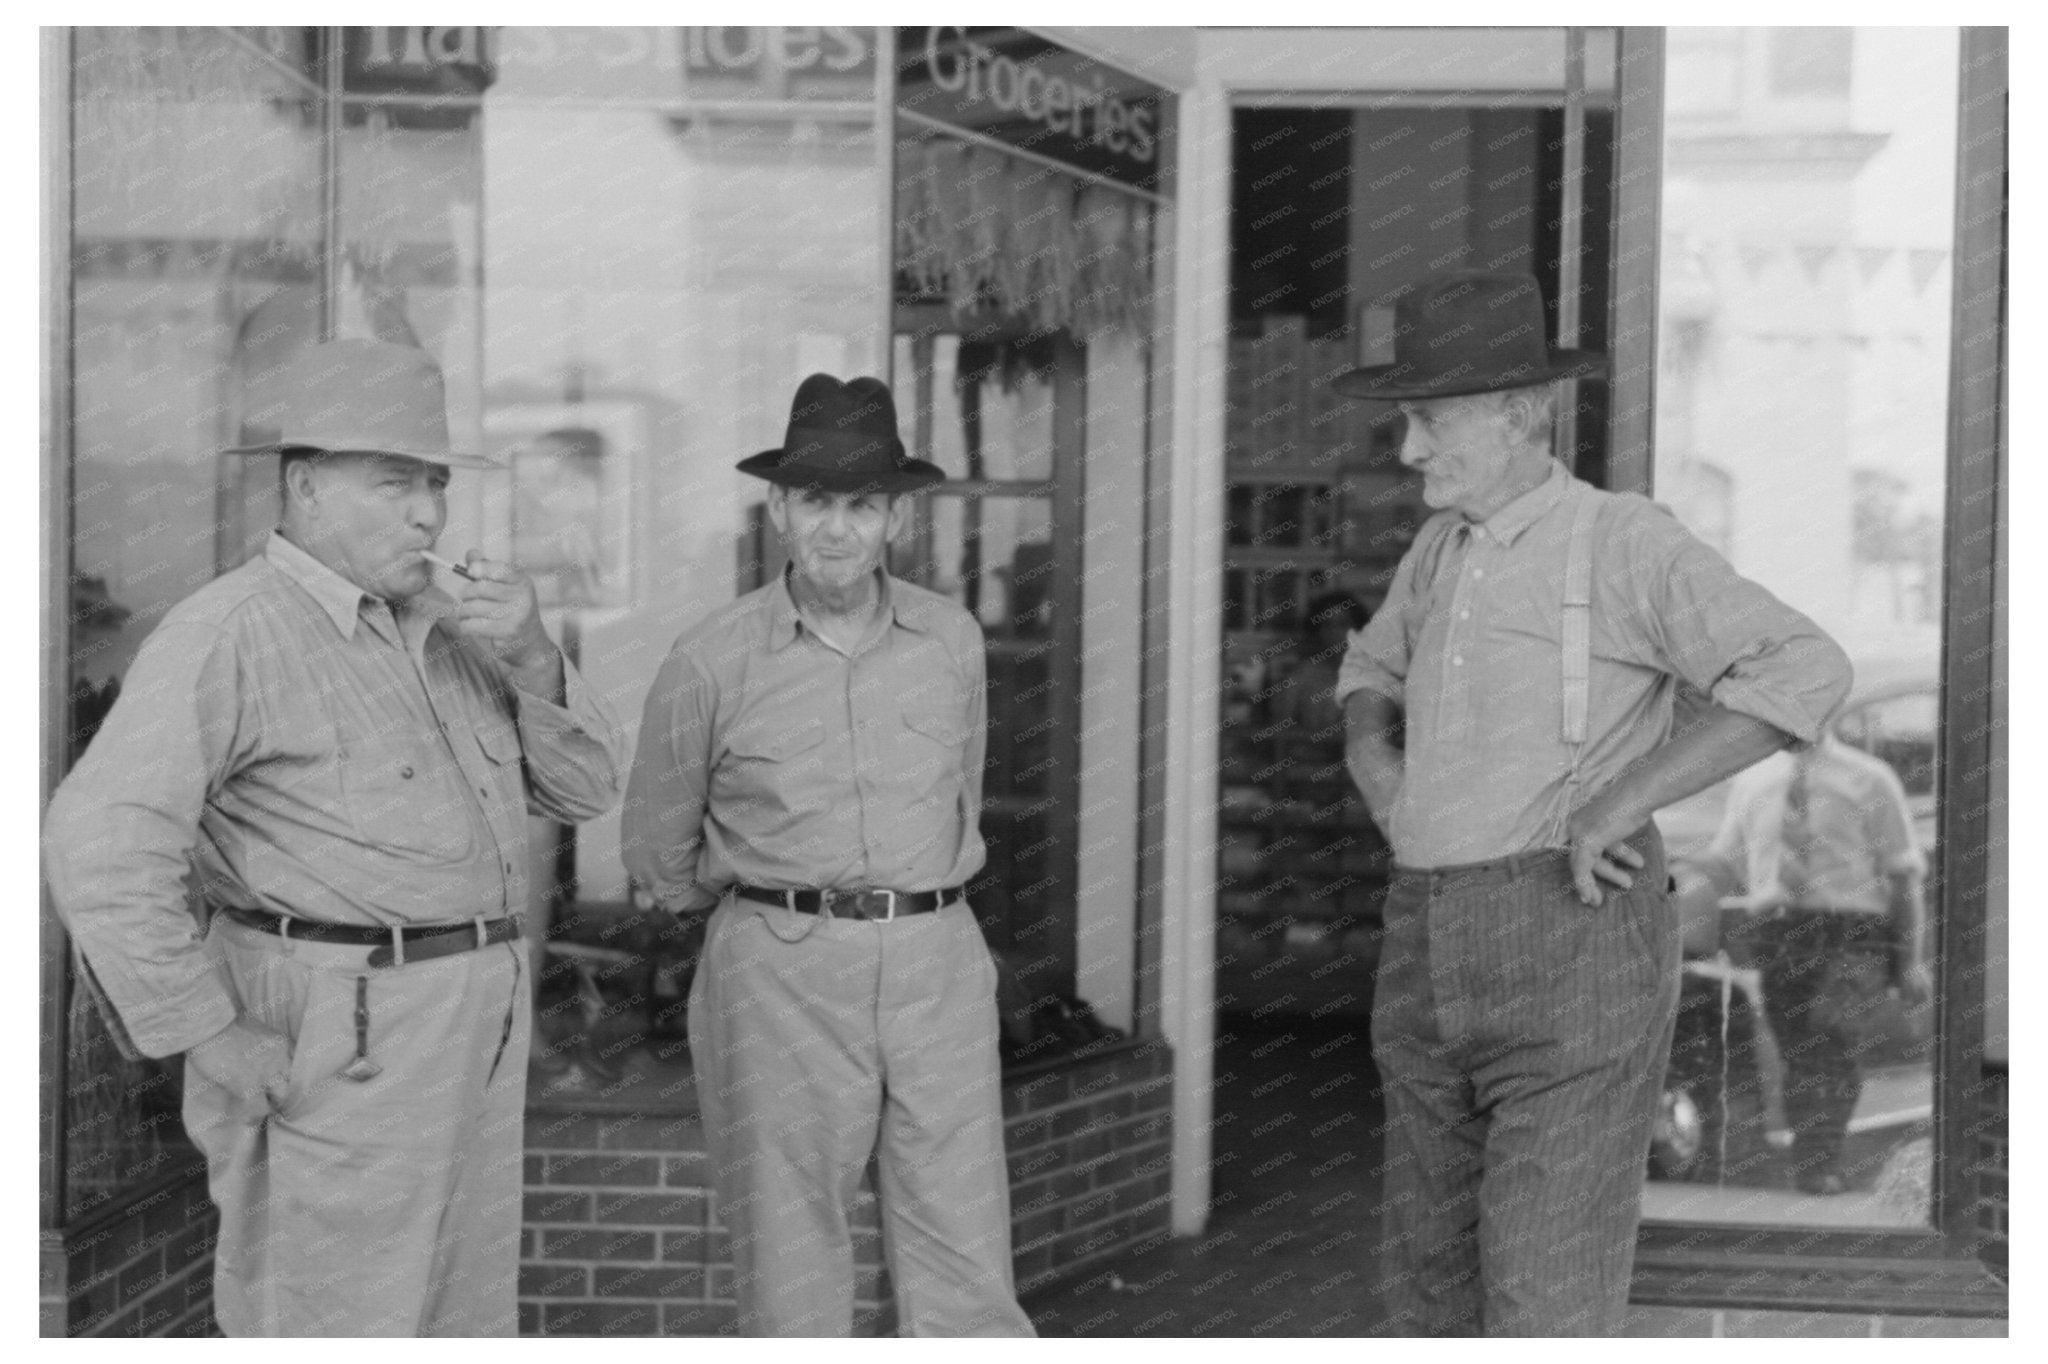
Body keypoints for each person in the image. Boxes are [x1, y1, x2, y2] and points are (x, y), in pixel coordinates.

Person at [42, 337, 625, 1337]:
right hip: (340, 1042)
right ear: (305, 487)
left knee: (462, 1323)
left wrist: (533, 653)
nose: (428, 514)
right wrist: (205, 1032)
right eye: (396, 483)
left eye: (436, 483)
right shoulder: (232, 632)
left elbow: (584, 790)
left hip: (473, 1034)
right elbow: (98, 842)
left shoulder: (451, 629)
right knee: (334, 1323)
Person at [1331, 271, 1852, 1336]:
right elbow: (1367, 668)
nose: (1409, 450)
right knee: (1426, 1291)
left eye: (1430, 421)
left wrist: (1619, 803)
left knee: (1543, 1295)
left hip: (1568, 939)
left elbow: (1802, 668)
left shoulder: (1622, 539)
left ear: (1521, 412)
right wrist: (1373, 758)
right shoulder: (1439, 548)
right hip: (1422, 939)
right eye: (1406, 422)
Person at [621, 373, 1034, 1338]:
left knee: (965, 1247)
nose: (838, 529)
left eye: (863, 505)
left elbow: (961, 792)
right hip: (781, 973)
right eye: (815, 501)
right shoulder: (711, 657)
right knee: (791, 1250)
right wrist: (764, 919)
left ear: (897, 518)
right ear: (778, 510)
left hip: (936, 961)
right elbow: (655, 842)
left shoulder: (951, 641)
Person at [1675, 735, 1931, 1194]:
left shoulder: (1870, 779)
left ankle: (1819, 1164)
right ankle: (1810, 1161)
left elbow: (1904, 877)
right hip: (1781, 933)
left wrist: (1910, 961)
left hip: (1855, 933)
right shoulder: (1754, 780)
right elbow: (1724, 862)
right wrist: (1671, 879)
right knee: (1798, 1050)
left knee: (1831, 1036)